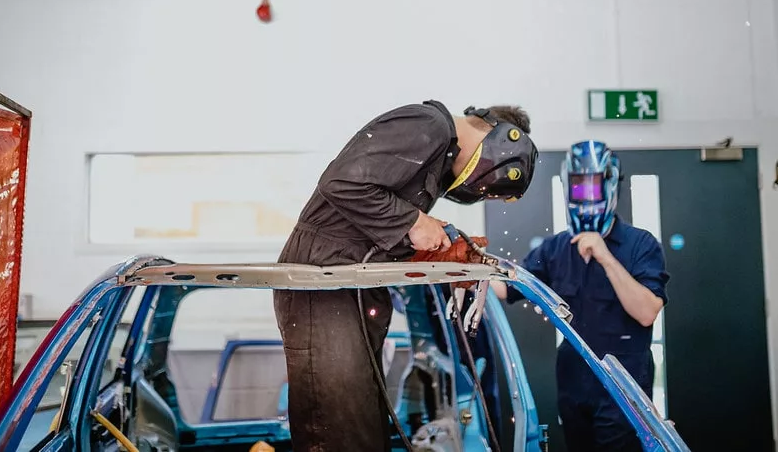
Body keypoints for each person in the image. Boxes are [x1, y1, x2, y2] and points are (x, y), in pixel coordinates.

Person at [274, 100, 538, 452]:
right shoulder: (428, 124)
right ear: (496, 138)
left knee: (364, 427)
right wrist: (413, 222)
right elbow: (341, 185)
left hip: (345, 286)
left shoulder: (433, 148)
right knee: (339, 430)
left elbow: (366, 217)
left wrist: (435, 246)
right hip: (322, 285)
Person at [493, 140, 669, 452]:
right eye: (579, 188)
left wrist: (605, 258)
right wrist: (468, 267)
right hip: (574, 381)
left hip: (624, 386)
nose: (586, 197)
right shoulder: (555, 249)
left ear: (611, 183)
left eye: (593, 186)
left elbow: (646, 312)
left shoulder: (641, 245)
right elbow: (507, 287)